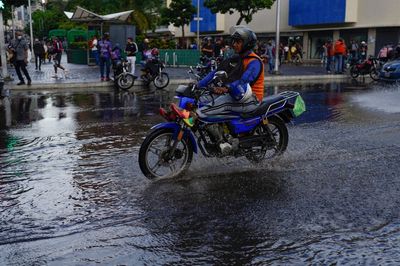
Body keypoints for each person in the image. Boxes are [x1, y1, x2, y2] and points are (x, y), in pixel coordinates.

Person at [196, 26, 264, 153]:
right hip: (236, 95)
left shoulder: (254, 62)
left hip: (251, 99)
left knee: (207, 110)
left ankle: (223, 142)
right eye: (234, 41)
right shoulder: (236, 59)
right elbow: (215, 72)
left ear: (246, 44)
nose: (234, 45)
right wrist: (197, 85)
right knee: (202, 100)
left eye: (238, 42)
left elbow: (244, 81)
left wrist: (226, 88)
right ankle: (219, 136)